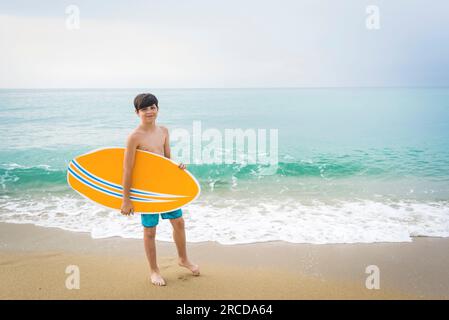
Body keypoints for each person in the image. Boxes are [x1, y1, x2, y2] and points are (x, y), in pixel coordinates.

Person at [120, 93, 200, 286]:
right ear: (137, 112)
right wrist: (126, 199)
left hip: (164, 187)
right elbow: (127, 168)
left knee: (179, 222)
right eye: (145, 109)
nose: (149, 111)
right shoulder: (134, 137)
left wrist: (177, 168)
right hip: (147, 191)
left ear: (157, 109)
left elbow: (166, 160)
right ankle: (154, 271)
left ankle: (183, 259)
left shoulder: (163, 131)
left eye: (152, 107)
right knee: (150, 231)